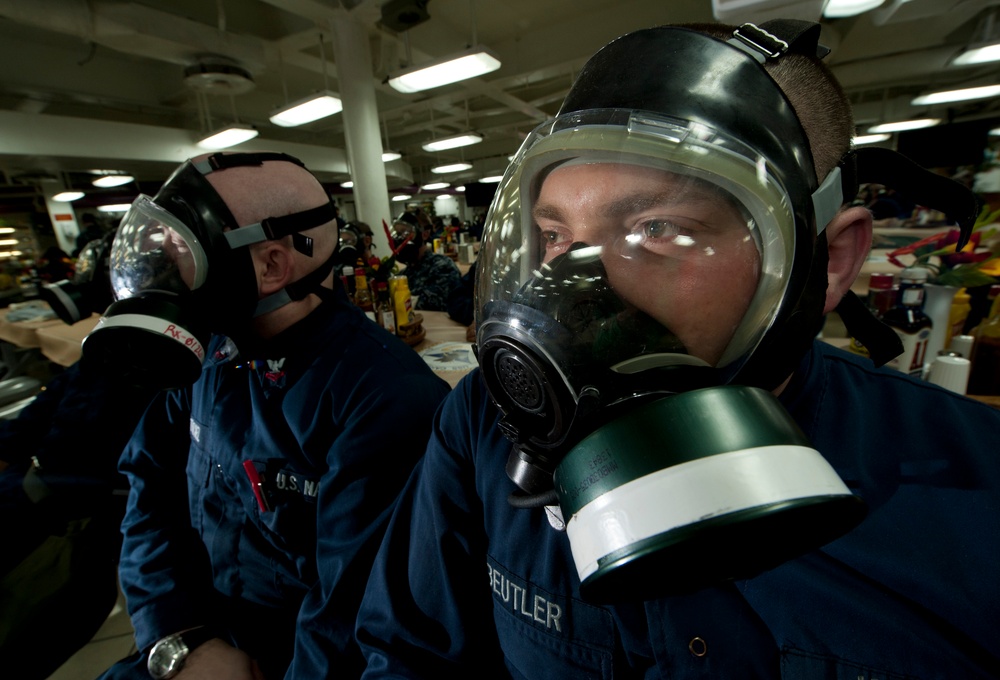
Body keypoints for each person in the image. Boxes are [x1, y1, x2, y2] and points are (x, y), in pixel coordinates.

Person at [355, 20, 1000, 678]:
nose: (574, 285)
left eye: (657, 228)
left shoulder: (981, 494)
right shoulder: (481, 427)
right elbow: (405, 654)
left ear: (828, 261)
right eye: (555, 234)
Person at [93, 151, 451, 679]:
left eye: (182, 249)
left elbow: (353, 611)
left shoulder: (383, 398)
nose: (163, 270)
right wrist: (174, 635)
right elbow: (149, 491)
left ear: (271, 266)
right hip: (196, 631)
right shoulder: (209, 355)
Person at [390, 210, 461, 311]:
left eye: (406, 232)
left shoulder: (443, 267)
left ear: (425, 234)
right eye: (397, 233)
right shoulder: (404, 273)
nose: (399, 238)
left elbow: (433, 304)